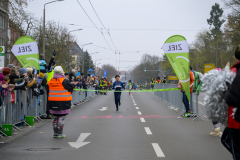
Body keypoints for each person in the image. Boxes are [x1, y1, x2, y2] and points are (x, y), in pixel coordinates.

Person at [222, 46, 240, 159]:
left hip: (236, 120)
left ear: (235, 56)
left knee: (235, 149)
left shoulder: (235, 71)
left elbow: (231, 97)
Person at [48, 66, 75, 138]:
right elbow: (71, 87)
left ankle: (55, 133)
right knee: (61, 118)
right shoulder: (64, 80)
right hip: (63, 102)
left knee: (55, 118)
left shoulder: (51, 81)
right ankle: (60, 133)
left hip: (52, 102)